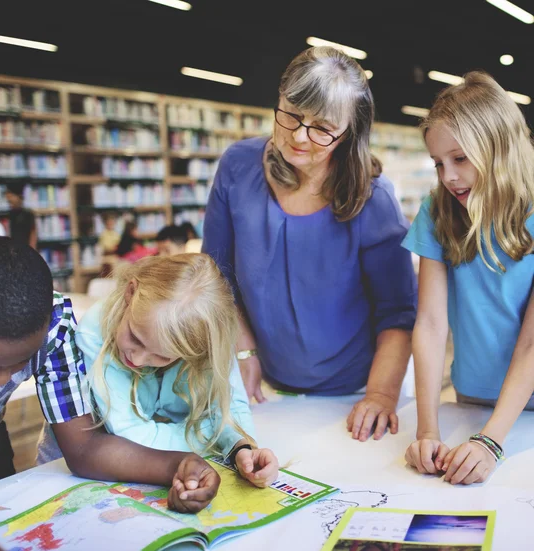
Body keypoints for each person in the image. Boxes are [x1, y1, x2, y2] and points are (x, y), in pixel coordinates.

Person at [0, 236, 221, 550]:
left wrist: (176, 465)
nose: (0, 381)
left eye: (19, 364)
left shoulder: (53, 325)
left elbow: (84, 447)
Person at [202, 46, 417, 442]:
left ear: (350, 131)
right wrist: (244, 350)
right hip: (266, 387)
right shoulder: (238, 165)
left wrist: (380, 395)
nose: (300, 136)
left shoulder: (373, 197)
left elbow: (398, 313)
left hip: (358, 394)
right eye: (292, 115)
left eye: (322, 127)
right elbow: (216, 273)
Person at [403, 71, 534, 485]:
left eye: (460, 159)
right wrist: (427, 430)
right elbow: (430, 322)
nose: (448, 177)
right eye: (438, 163)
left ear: (499, 147)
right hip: (471, 394)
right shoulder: (438, 210)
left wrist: (491, 441)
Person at [78, 253, 279, 489]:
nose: (137, 358)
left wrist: (242, 448)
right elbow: (131, 436)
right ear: (130, 294)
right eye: (135, 336)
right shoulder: (94, 332)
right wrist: (212, 433)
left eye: (163, 355)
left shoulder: (206, 338)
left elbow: (229, 408)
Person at [5, 182, 37, 248]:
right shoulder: (9, 214)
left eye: (11, 197)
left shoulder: (28, 214)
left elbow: (33, 235)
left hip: (26, 250)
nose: (9, 201)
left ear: (19, 196)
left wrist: (32, 252)